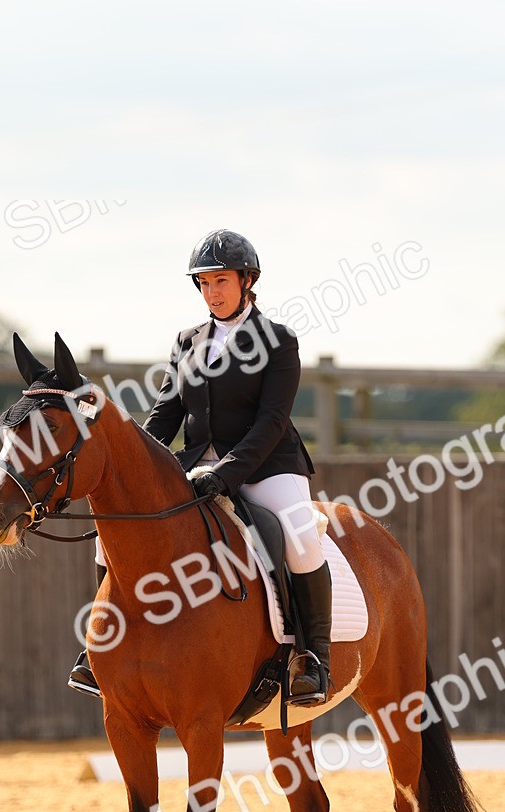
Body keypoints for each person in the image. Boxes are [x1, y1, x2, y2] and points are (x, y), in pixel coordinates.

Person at [68, 229, 333, 706]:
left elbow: (272, 422)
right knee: (116, 534)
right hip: (194, 465)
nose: (213, 292)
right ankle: (101, 645)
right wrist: (136, 463)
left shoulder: (278, 341)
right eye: (205, 283)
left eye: (221, 281)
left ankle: (312, 656)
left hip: (267, 465)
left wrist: (227, 473)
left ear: (247, 281)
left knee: (299, 535)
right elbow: (165, 415)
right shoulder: (187, 341)